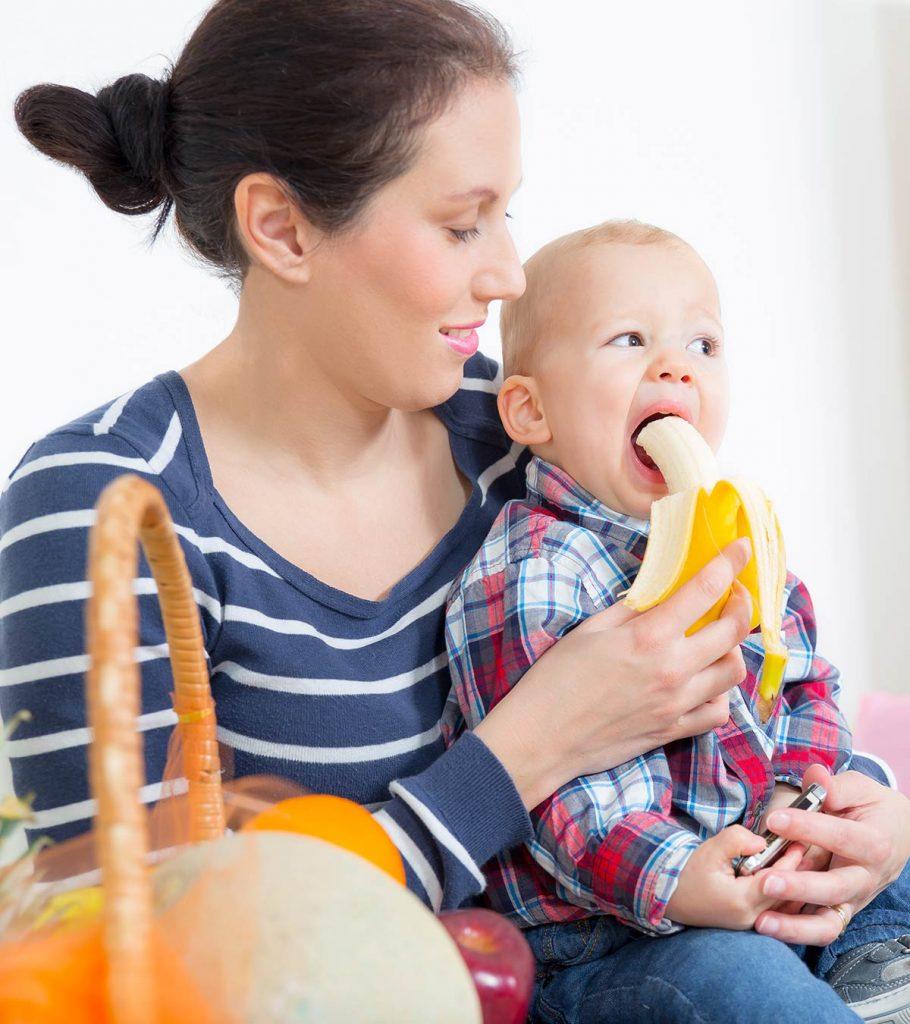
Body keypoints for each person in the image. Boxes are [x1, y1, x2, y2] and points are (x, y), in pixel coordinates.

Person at [1, 1, 907, 1020]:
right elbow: (134, 961)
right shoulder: (103, 505)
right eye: (460, 222)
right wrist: (530, 747)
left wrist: (855, 808)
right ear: (282, 228)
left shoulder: (527, 425)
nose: (509, 273)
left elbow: (760, 648)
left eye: (507, 213)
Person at [443, 219, 910, 1022]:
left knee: (877, 806)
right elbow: (560, 792)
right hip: (615, 937)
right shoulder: (536, 572)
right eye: (630, 340)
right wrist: (679, 877)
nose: (675, 367)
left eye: (703, 345)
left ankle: (875, 959)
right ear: (529, 410)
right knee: (744, 988)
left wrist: (808, 801)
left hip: (760, 862)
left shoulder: (738, 541)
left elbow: (803, 686)